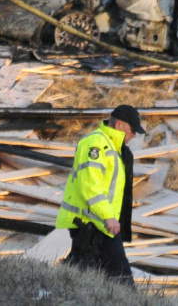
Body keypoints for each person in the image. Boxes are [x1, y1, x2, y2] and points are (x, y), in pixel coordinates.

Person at [56, 104, 146, 285]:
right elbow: (90, 185)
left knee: (83, 274)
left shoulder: (117, 149)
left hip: (103, 224)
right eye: (132, 129)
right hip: (93, 223)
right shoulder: (95, 143)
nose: (135, 135)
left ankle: (52, 288)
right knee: (121, 279)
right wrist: (108, 217)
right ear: (119, 125)